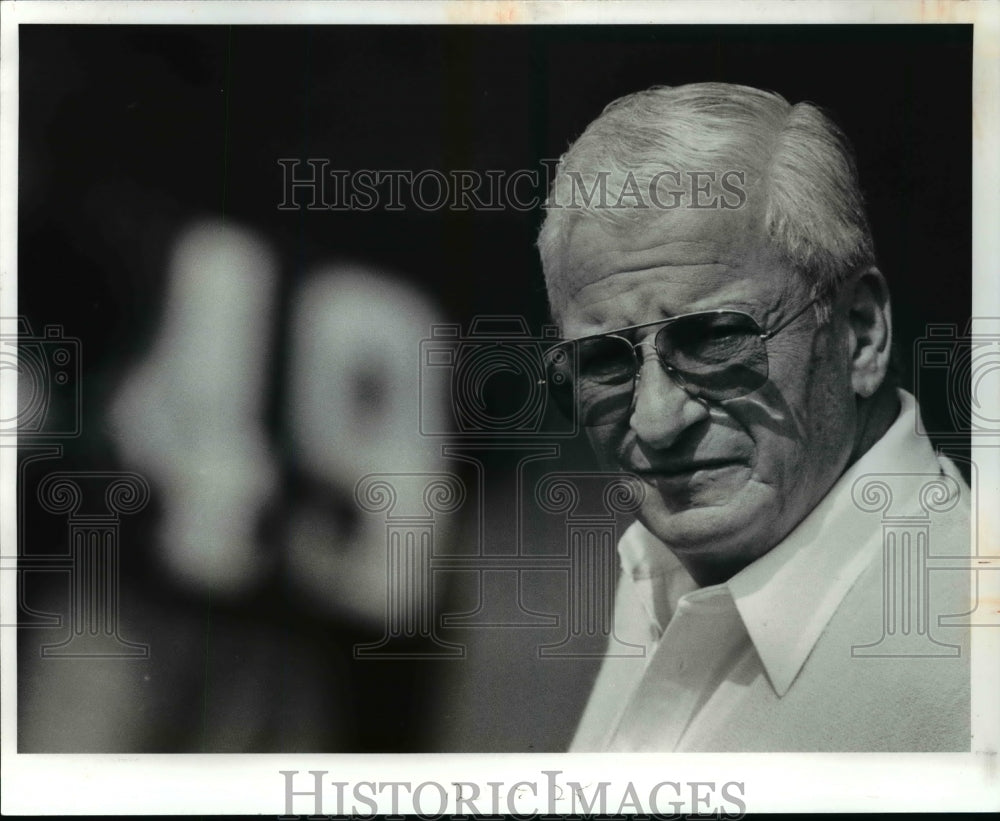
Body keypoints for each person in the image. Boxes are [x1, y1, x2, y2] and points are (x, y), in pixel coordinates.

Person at [537, 83, 971, 752]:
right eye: (603, 358)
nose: (656, 420)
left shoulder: (971, 664)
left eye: (714, 338)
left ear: (859, 331)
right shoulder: (661, 572)